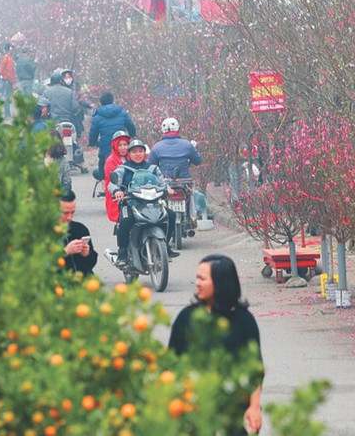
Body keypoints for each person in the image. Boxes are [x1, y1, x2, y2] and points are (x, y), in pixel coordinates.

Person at [168, 254, 263, 434]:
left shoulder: (244, 321)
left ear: (220, 282)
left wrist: (254, 407)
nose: (197, 283)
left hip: (231, 416)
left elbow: (255, 370)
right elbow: (170, 366)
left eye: (202, 279)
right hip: (191, 415)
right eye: (197, 278)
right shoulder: (186, 318)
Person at [108, 140, 177, 266]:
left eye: (140, 151)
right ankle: (122, 253)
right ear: (129, 153)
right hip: (130, 203)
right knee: (126, 221)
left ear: (145, 153)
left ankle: (165, 246)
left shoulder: (153, 168)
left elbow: (162, 182)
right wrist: (117, 191)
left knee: (171, 215)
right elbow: (112, 184)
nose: (138, 154)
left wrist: (168, 189)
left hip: (152, 203)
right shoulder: (123, 169)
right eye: (134, 151)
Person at [43, 70, 87, 173]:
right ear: (61, 80)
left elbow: (44, 106)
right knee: (73, 141)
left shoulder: (46, 92)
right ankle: (83, 164)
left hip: (53, 122)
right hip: (68, 123)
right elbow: (76, 107)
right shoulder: (69, 92)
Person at [89, 91, 137, 181]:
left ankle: (104, 182)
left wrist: (92, 143)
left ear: (101, 102)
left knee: (102, 163)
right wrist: (132, 135)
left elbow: (93, 133)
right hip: (122, 145)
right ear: (112, 101)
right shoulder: (122, 112)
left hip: (106, 149)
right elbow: (131, 127)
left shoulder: (97, 116)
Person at [58, 190, 97, 276]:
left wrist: (87, 254)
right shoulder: (43, 233)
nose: (69, 217)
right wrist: (65, 253)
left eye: (73, 212)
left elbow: (91, 263)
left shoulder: (80, 229)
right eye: (65, 213)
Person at [103, 130, 131, 220]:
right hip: (117, 194)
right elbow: (110, 181)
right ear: (115, 146)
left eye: (125, 145)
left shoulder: (133, 157)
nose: (123, 148)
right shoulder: (110, 161)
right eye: (120, 145)